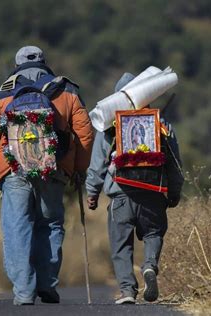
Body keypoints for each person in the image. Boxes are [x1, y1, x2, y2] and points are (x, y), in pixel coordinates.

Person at [0, 46, 94, 305]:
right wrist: (79, 170)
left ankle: (24, 292)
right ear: (44, 63)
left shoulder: (2, 93)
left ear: (16, 64)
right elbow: (85, 135)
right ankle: (47, 283)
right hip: (54, 170)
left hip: (13, 171)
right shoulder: (67, 91)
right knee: (50, 224)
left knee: (17, 228)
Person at [85, 72, 183, 304]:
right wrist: (174, 192)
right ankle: (149, 265)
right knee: (153, 233)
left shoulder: (109, 125)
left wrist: (92, 191)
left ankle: (128, 290)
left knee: (121, 244)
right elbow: (174, 163)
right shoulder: (161, 123)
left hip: (121, 194)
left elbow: (98, 162)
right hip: (154, 192)